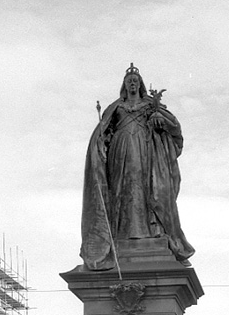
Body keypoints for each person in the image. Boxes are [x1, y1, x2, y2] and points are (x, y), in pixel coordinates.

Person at [81, 63, 195, 270]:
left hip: (146, 149)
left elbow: (174, 128)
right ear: (124, 85)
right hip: (120, 150)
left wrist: (160, 120)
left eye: (135, 81)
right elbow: (104, 131)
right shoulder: (116, 106)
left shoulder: (151, 104)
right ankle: (121, 234)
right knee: (122, 191)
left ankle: (153, 231)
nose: (132, 83)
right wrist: (102, 141)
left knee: (147, 189)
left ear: (140, 84)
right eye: (129, 81)